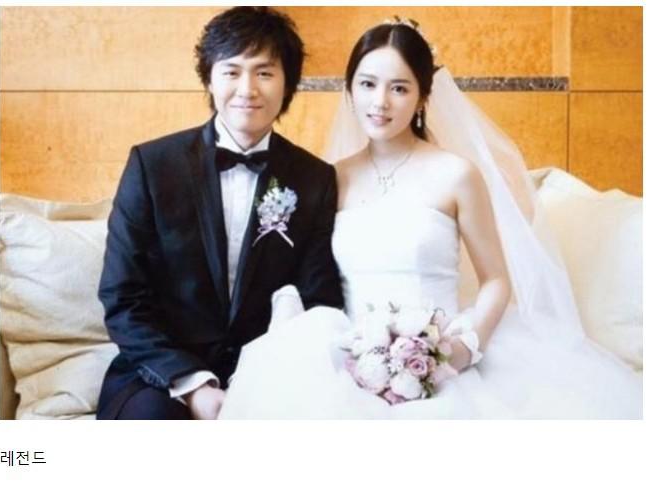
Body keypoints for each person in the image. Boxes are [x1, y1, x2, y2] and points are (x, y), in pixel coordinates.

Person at [218, 18, 642, 419]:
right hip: (353, 357)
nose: (380, 102)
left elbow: (496, 280)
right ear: (350, 91)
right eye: (367, 84)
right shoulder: (330, 178)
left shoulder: (456, 175)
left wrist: (461, 349)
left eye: (399, 88)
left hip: (442, 356)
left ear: (422, 97)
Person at [96, 6, 344, 420]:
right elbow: (122, 298)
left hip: (269, 373)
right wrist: (193, 385)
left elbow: (319, 299)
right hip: (160, 374)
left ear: (288, 83)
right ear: (209, 79)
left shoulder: (314, 178)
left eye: (264, 72)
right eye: (232, 71)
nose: (248, 89)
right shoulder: (152, 165)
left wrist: (268, 373)